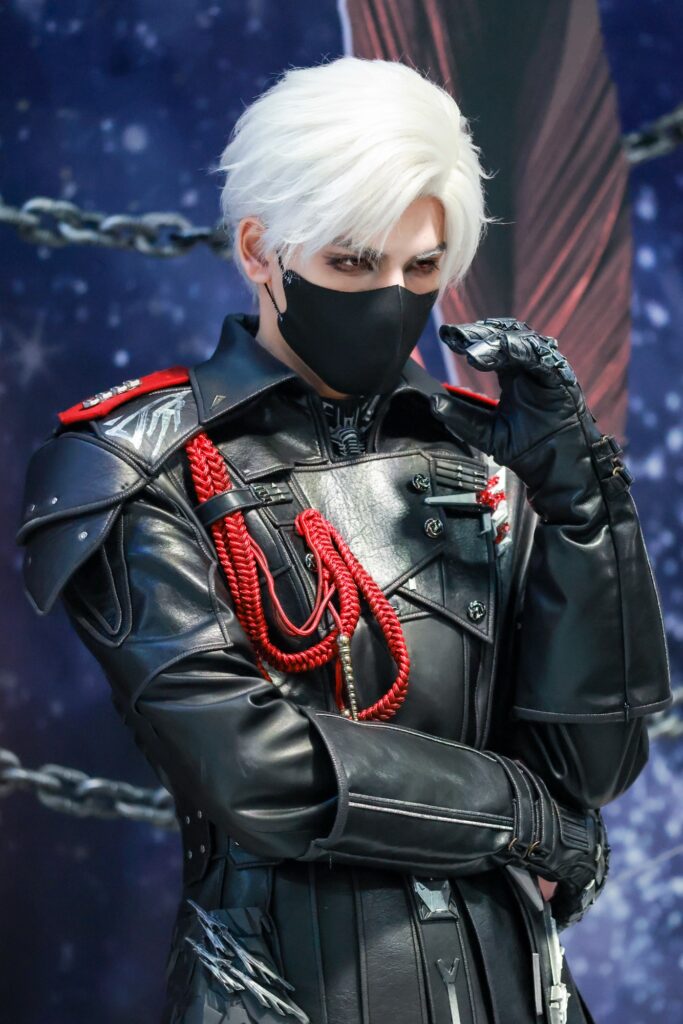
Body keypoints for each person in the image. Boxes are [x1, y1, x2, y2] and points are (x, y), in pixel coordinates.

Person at [17, 56, 671, 1024]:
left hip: (519, 988)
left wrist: (583, 508)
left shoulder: (486, 451)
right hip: (282, 988)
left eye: (422, 268)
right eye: (352, 263)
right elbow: (253, 768)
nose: (391, 297)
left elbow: (589, 767)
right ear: (259, 249)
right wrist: (521, 816)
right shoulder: (138, 464)